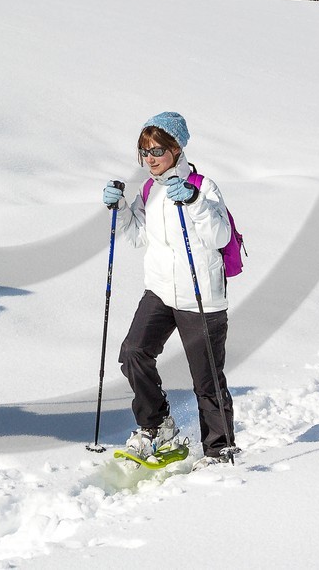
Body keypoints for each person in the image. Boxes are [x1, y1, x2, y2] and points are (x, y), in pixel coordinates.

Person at [101, 111, 237, 462]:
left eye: (157, 150)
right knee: (134, 353)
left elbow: (220, 237)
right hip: (160, 291)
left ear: (177, 149)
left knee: (206, 381)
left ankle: (219, 450)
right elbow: (139, 237)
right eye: (144, 151)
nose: (150, 159)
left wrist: (194, 201)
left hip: (200, 296)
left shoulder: (203, 187)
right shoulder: (150, 190)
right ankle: (157, 425)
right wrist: (121, 209)